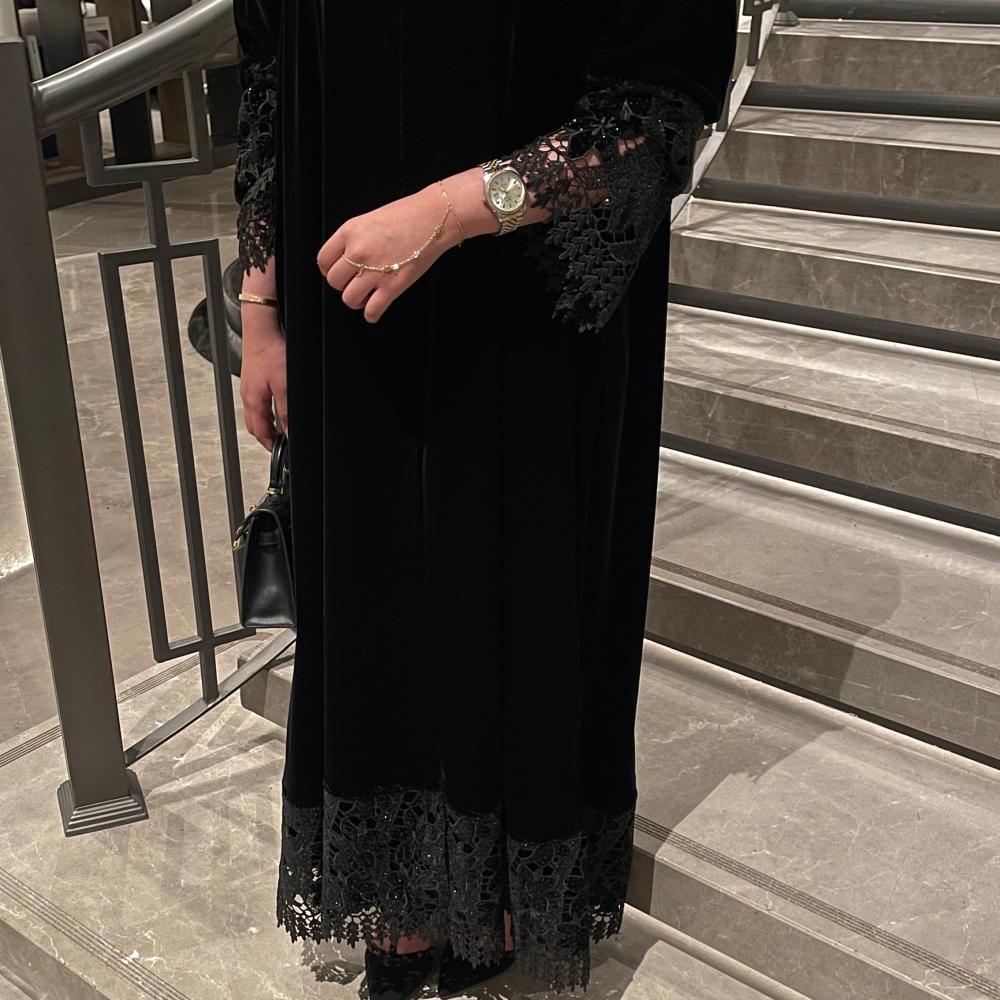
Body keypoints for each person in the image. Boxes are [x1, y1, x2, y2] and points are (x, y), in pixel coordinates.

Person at [233, 2, 736, 997]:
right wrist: (260, 310)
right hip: (348, 320)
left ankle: (498, 896)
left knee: (512, 611)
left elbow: (653, 111)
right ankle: (401, 911)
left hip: (530, 327)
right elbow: (269, 84)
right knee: (372, 610)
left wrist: (453, 210)